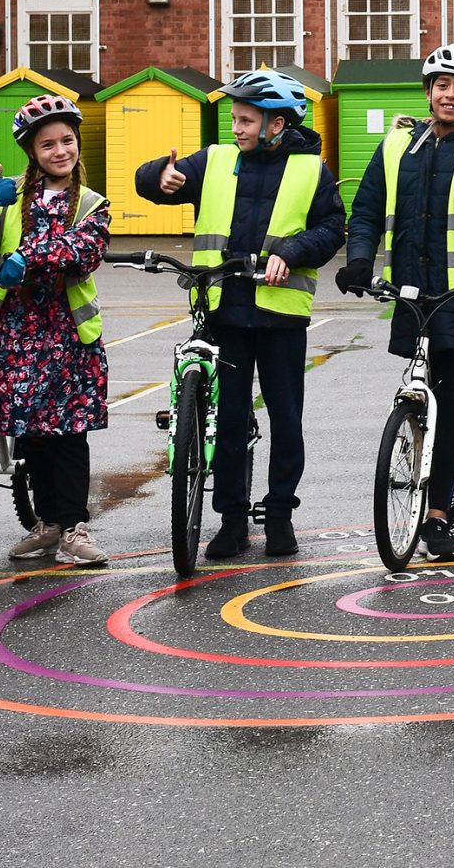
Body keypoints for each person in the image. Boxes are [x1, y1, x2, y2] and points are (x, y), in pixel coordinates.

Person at [135, 69, 344, 559]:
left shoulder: (312, 170)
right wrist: (157, 176)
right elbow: (155, 183)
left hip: (281, 316)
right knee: (227, 419)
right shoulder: (215, 160)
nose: (237, 127)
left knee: (286, 419)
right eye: (234, 118)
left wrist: (293, 251)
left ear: (278, 124)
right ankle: (230, 521)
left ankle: (279, 518)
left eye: (247, 120)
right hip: (222, 310)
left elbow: (333, 227)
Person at [339, 44, 454, 562]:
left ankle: (438, 514)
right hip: (412, 291)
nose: (450, 94)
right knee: (442, 396)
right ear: (428, 90)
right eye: (443, 84)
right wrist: (359, 260)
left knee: (450, 393)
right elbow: (368, 207)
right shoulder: (398, 144)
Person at [0, 95, 111, 565]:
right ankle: (47, 524)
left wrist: (28, 258)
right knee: (31, 432)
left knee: (69, 432)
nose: (60, 151)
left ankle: (75, 526)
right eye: (48, 144)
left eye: (67, 141)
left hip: (68, 333)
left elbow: (84, 249)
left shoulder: (92, 202)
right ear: (31, 151)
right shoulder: (11, 194)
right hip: (16, 330)